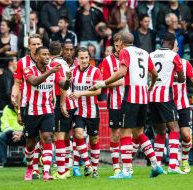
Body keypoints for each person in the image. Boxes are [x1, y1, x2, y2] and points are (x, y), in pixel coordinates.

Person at [90, 32, 163, 179]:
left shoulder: (125, 51)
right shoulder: (143, 52)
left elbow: (121, 72)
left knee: (124, 133)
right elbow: (155, 73)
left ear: (122, 43)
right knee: (138, 133)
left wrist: (103, 83)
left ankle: (127, 171)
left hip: (130, 97)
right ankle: (156, 165)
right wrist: (150, 86)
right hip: (143, 98)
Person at [23, 46, 71, 181]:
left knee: (48, 137)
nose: (47, 57)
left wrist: (67, 79)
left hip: (48, 110)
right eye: (43, 54)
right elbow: (34, 81)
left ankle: (46, 172)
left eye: (48, 54)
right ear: (37, 57)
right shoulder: (29, 69)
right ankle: (29, 168)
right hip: (32, 111)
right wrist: (50, 72)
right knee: (31, 143)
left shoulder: (54, 70)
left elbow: (64, 86)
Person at [149, 32, 185, 174]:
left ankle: (157, 165)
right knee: (174, 128)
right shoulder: (173, 56)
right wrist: (176, 78)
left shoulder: (151, 55)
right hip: (164, 95)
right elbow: (181, 78)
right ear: (172, 42)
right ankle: (173, 165)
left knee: (160, 130)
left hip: (151, 95)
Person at [68, 47, 103, 178]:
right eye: (81, 58)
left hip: (93, 111)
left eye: (86, 57)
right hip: (78, 110)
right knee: (78, 133)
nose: (84, 60)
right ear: (76, 59)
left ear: (89, 58)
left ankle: (95, 169)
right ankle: (87, 165)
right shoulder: (71, 72)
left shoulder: (96, 71)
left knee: (94, 140)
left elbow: (98, 91)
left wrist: (80, 93)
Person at [172, 41, 193, 173]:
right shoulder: (163, 63)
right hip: (167, 104)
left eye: (177, 46)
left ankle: (184, 159)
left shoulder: (185, 63)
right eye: (175, 45)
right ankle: (172, 163)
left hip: (182, 104)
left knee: (185, 134)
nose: (177, 47)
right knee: (170, 134)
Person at [48, 41, 77, 179]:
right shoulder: (64, 63)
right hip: (70, 102)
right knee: (64, 136)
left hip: (62, 101)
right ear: (60, 52)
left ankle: (61, 172)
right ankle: (65, 169)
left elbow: (62, 84)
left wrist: (62, 103)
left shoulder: (54, 64)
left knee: (58, 136)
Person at [100, 33, 124, 176]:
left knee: (132, 133)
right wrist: (120, 82)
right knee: (115, 134)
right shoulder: (107, 61)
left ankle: (127, 164)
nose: (119, 47)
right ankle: (116, 166)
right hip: (115, 101)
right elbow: (104, 83)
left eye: (121, 44)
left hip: (130, 101)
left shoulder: (130, 59)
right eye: (116, 44)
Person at [11, 34, 43, 125]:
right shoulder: (22, 62)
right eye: (33, 44)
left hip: (46, 105)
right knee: (30, 139)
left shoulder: (48, 61)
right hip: (28, 105)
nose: (36, 46)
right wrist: (13, 95)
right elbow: (17, 84)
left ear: (42, 44)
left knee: (47, 137)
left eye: (38, 44)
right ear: (29, 46)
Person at [61, 40, 81, 177]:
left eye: (71, 50)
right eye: (66, 49)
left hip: (79, 105)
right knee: (65, 135)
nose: (69, 52)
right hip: (64, 104)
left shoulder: (79, 65)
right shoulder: (58, 64)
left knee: (78, 134)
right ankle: (68, 164)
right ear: (62, 50)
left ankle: (76, 165)